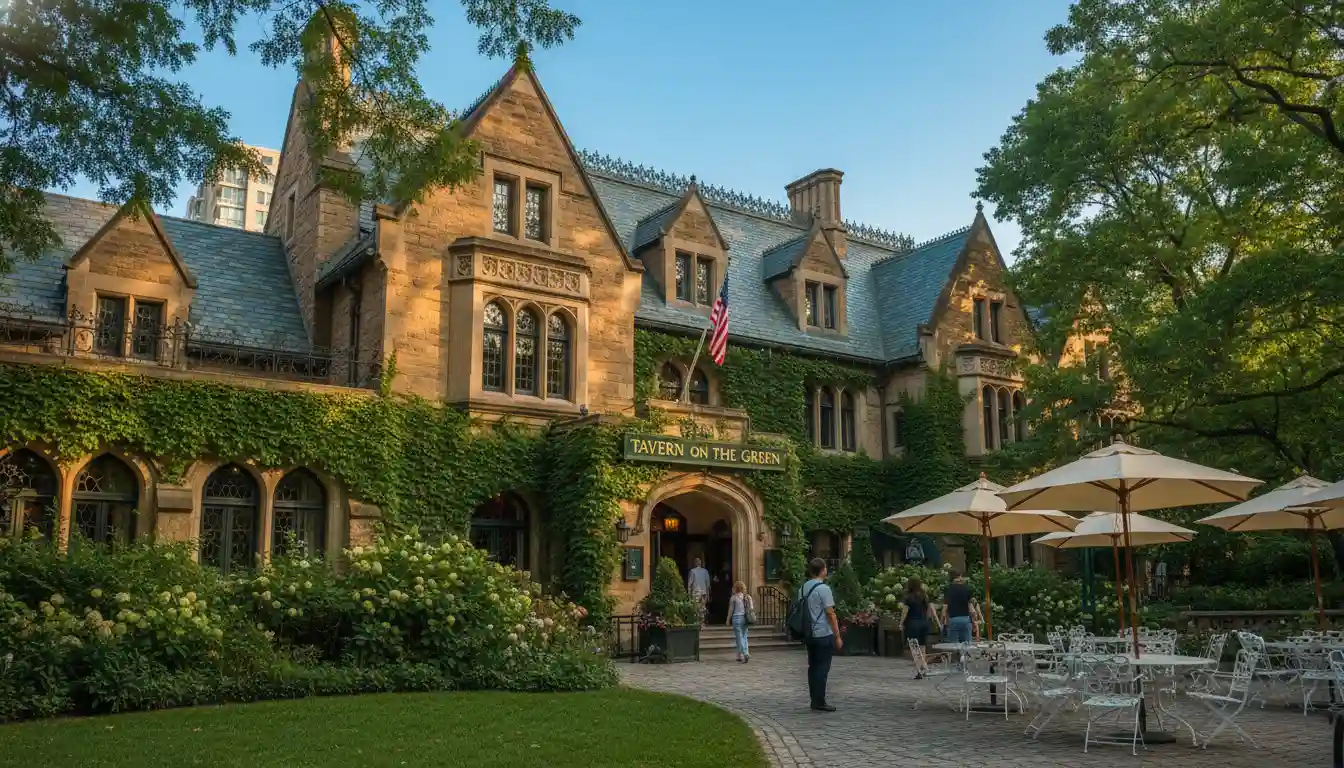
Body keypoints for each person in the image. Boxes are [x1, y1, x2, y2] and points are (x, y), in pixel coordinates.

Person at [800, 557, 842, 712]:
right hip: (823, 633)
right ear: (823, 570)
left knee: (813, 667)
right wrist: (837, 636)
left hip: (809, 633)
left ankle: (814, 699)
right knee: (822, 669)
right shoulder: (824, 589)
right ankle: (819, 701)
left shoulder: (804, 588)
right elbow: (830, 613)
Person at [898, 577, 938, 679]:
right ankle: (923, 668)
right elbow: (929, 609)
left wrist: (901, 623)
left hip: (912, 624)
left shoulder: (909, 597)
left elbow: (905, 611)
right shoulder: (924, 596)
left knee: (914, 648)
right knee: (922, 646)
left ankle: (919, 670)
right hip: (923, 623)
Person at [940, 569, 980, 644]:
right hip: (965, 619)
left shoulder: (948, 590)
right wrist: (974, 621)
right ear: (960, 577)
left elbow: (945, 608)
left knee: (954, 646)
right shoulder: (966, 589)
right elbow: (971, 608)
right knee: (967, 646)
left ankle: (956, 655)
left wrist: (942, 623)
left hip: (953, 620)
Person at [727, 580, 753, 663]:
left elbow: (731, 610)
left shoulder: (734, 598)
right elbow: (751, 608)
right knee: (744, 636)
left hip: (737, 618)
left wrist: (728, 619)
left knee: (739, 637)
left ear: (735, 588)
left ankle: (745, 653)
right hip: (745, 619)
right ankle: (740, 655)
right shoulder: (748, 597)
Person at [687, 558, 711, 625]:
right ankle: (702, 623)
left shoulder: (692, 571)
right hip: (703, 592)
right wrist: (708, 593)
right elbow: (708, 584)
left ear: (695, 563)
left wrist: (688, 593)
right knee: (702, 607)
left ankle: (697, 622)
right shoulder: (705, 571)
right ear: (700, 563)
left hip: (695, 592)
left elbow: (690, 583)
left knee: (695, 607)